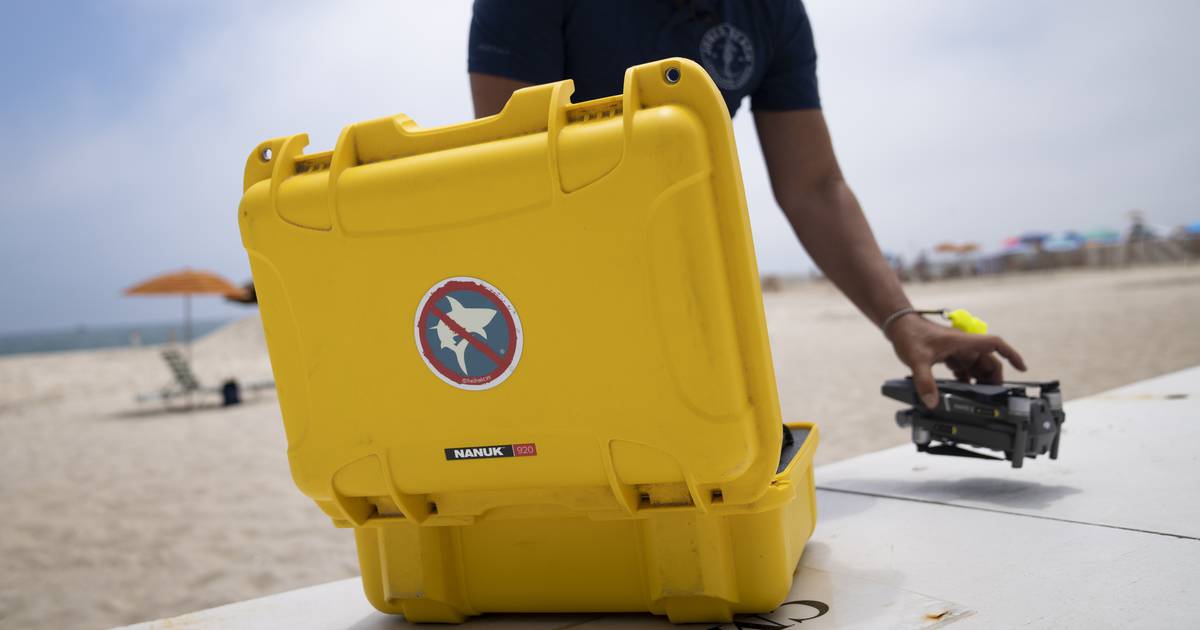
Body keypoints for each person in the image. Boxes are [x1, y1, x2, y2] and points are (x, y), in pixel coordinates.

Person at [468, 0, 1026, 408]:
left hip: (687, 284)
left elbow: (815, 187)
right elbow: (515, 170)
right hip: (551, 296)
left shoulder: (772, 13)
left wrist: (903, 320)